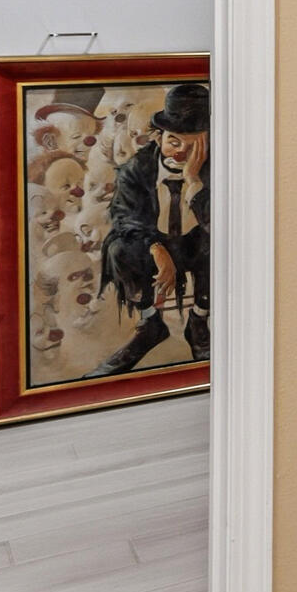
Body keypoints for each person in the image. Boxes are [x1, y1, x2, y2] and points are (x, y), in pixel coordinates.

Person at [88, 82, 209, 377]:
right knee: (119, 247)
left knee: (217, 242)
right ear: (159, 137)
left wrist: (194, 182)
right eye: (174, 142)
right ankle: (150, 322)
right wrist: (155, 249)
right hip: (154, 242)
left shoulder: (218, 170)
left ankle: (199, 319)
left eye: (192, 146)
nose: (180, 153)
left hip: (196, 246)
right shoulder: (136, 170)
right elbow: (124, 219)